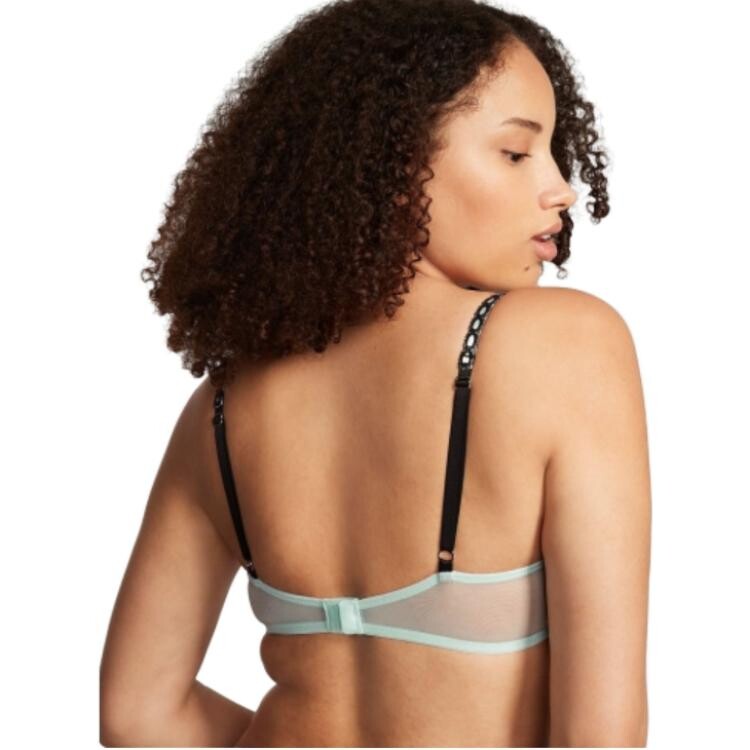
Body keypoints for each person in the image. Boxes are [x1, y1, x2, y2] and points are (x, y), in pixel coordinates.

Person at [100, 0, 651, 746]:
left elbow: (138, 714)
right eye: (517, 153)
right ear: (395, 164)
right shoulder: (566, 345)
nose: (562, 188)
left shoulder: (224, 408)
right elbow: (603, 736)